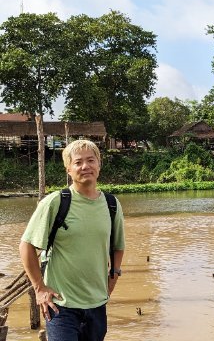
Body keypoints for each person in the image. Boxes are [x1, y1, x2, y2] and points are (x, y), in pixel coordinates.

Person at [19, 139, 125, 341]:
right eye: (78, 162)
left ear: (99, 165)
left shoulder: (111, 204)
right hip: (61, 305)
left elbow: (118, 246)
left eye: (91, 160)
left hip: (97, 304)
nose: (85, 166)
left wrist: (115, 274)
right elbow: (26, 246)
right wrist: (40, 288)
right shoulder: (56, 202)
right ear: (68, 169)